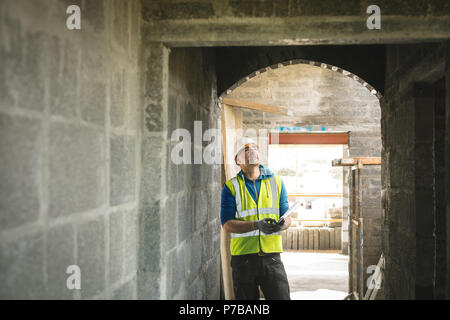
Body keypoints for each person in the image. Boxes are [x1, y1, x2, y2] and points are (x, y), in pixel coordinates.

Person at [221, 137, 292, 300]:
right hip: (243, 259)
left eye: (255, 147)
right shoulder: (231, 187)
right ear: (237, 160)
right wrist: (256, 225)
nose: (252, 150)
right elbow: (227, 224)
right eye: (246, 149)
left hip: (272, 258)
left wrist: (281, 225)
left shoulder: (277, 182)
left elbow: (288, 218)